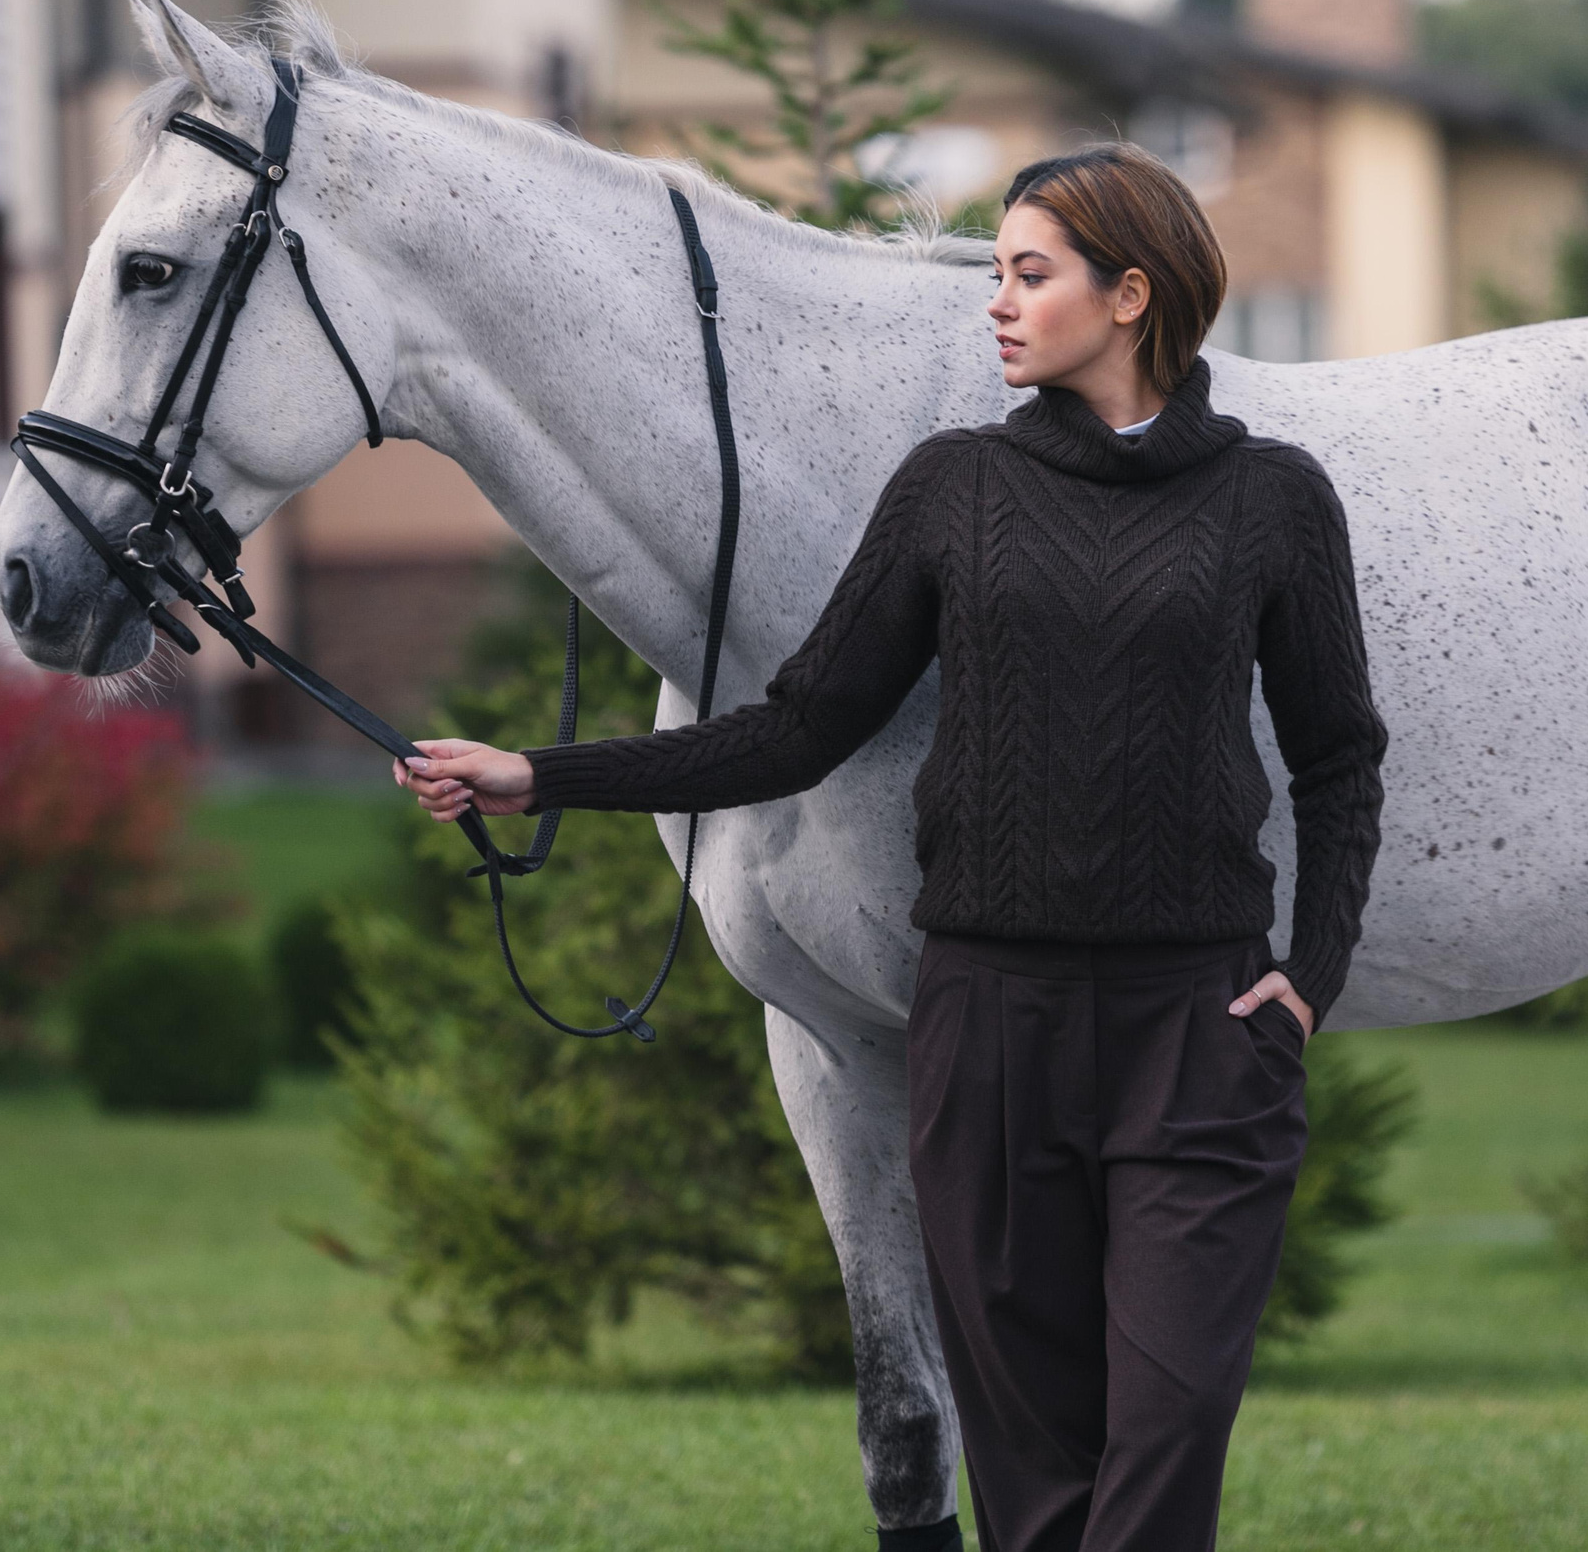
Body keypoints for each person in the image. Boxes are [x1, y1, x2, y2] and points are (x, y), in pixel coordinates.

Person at [395, 143, 1388, 1552]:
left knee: (1164, 1444)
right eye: (998, 272)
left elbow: (1340, 754)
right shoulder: (951, 488)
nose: (997, 301)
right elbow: (800, 727)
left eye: (1030, 274)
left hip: (1198, 1036)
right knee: (1037, 1489)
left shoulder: (1273, 499)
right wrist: (538, 778)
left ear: (1131, 295)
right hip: (989, 1036)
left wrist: (1311, 978)